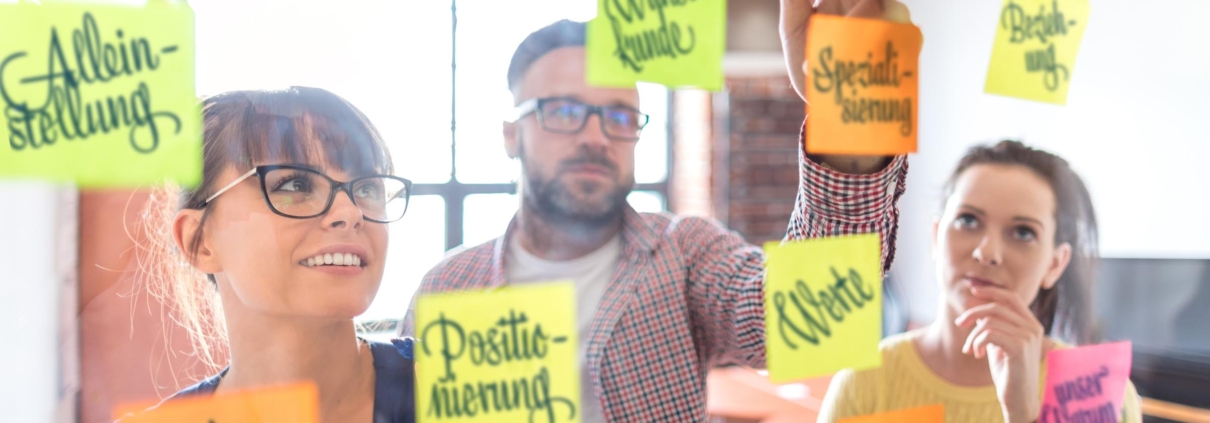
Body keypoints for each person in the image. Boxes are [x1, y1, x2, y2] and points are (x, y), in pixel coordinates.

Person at [399, 2, 911, 420]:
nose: (596, 136)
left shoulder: (685, 254)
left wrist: (847, 122)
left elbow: (812, 325)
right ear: (511, 134)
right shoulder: (446, 288)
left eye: (619, 115)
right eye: (564, 111)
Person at [126, 87, 416, 423]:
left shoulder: (467, 385)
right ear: (200, 240)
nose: (350, 212)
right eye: (295, 185)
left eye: (367, 188)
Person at [816, 140, 1144, 423]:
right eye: (968, 220)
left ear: (1054, 264)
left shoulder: (1096, 390)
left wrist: (1024, 416)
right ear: (935, 237)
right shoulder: (866, 380)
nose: (987, 252)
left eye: (1023, 232)